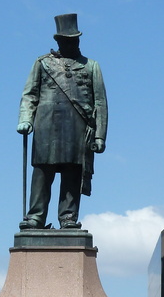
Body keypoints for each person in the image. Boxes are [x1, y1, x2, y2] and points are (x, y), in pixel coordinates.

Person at [17, 13, 108, 230]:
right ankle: (36, 217)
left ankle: (68, 217)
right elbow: (30, 94)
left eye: (74, 39)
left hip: (77, 128)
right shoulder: (42, 63)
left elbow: (101, 103)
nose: (71, 43)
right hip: (46, 125)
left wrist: (99, 135)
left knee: (72, 172)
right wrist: (25, 119)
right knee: (42, 173)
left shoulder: (91, 66)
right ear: (58, 41)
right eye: (66, 40)